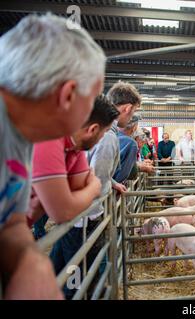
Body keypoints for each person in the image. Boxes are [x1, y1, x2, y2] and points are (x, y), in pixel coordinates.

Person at [0, 13, 106, 300]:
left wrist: (32, 262)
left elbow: (11, 224)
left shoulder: (22, 135)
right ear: (68, 95)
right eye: (91, 99)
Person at [29, 95, 118, 299]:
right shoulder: (50, 139)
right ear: (93, 129)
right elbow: (64, 210)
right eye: (104, 133)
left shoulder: (75, 149)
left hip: (20, 223)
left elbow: (79, 188)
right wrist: (93, 187)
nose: (104, 138)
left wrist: (85, 189)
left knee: (66, 265)